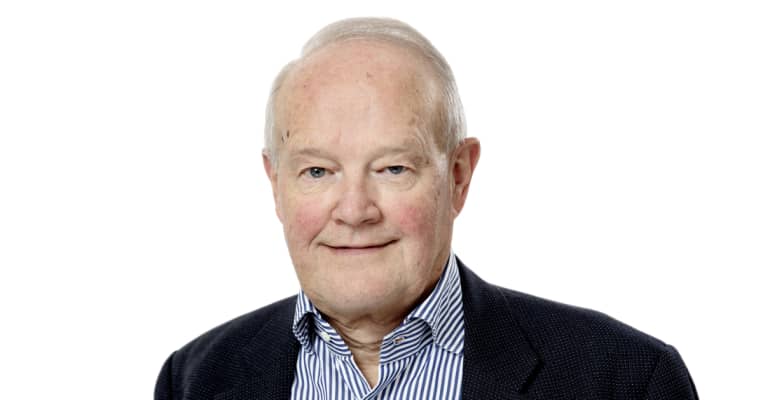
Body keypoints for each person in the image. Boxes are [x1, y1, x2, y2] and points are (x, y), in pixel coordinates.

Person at [155, 17, 699, 399]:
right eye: (317, 171)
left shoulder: (624, 381)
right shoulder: (194, 381)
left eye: (393, 169)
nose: (354, 211)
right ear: (276, 184)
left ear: (458, 176)